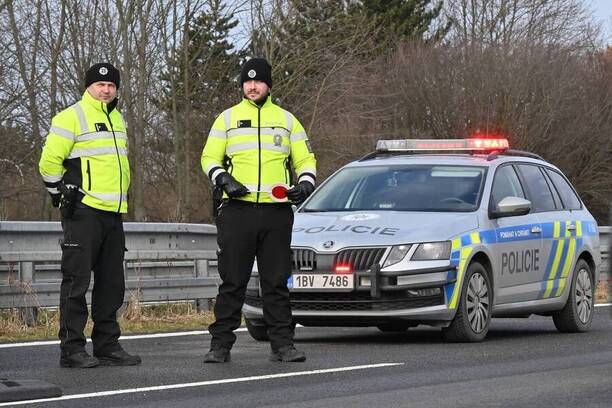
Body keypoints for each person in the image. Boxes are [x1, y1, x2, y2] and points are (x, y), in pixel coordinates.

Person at [201, 58, 317, 363]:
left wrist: (305, 184)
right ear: (242, 85)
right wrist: (223, 179)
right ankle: (220, 346)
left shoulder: (287, 120)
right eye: (247, 82)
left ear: (269, 85)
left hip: (276, 212)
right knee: (233, 282)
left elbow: (305, 160)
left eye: (259, 81)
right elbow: (208, 157)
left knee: (276, 282)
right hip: (237, 211)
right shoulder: (226, 119)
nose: (252, 86)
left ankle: (282, 345)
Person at [39, 62, 141, 368]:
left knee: (112, 284)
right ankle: (71, 349)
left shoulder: (118, 120)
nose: (106, 90)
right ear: (88, 87)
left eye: (111, 86)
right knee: (76, 281)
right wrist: (60, 195)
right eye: (100, 85)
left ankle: (107, 344)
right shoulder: (71, 116)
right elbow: (48, 162)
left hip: (113, 214)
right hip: (83, 213)